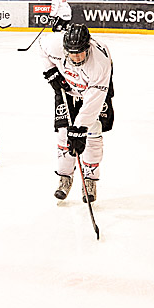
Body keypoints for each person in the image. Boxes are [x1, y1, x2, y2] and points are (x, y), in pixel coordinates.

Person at [39, 23, 114, 204]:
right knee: (64, 133)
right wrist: (50, 71)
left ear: (88, 47)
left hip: (92, 90)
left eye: (80, 52)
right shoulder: (54, 44)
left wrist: (80, 129)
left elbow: (93, 101)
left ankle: (90, 179)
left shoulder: (100, 63)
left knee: (92, 131)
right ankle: (64, 177)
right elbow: (41, 46)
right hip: (67, 88)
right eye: (72, 53)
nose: (76, 57)